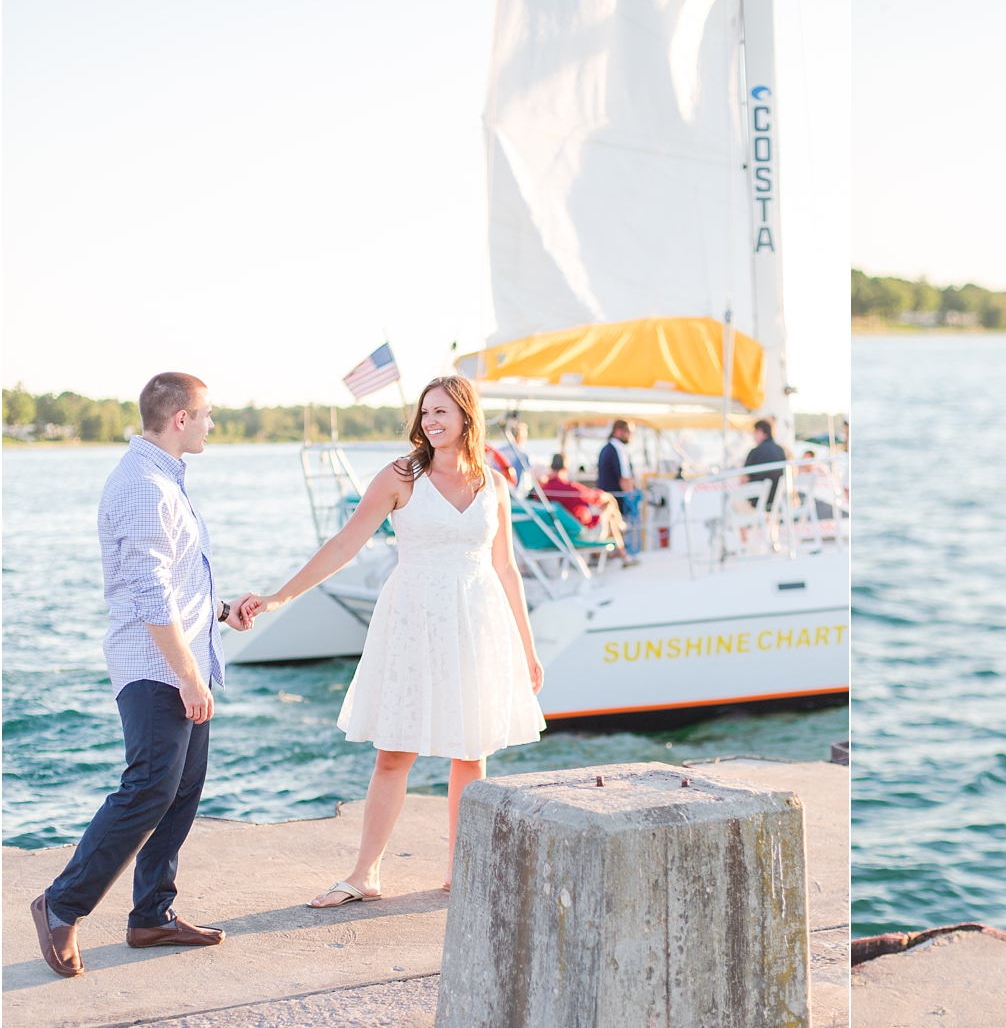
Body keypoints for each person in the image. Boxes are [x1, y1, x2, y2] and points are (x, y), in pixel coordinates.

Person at [235, 376, 546, 901]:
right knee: (394, 752)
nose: (431, 422)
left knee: (471, 751)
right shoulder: (402, 475)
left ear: (467, 416)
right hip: (413, 619)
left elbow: (507, 568)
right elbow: (343, 545)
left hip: (475, 619)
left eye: (442, 412)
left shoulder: (493, 483)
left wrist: (528, 648)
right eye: (426, 414)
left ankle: (460, 870)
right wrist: (278, 598)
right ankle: (365, 875)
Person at [31, 372, 255, 978]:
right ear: (180, 418)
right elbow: (148, 590)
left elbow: (175, 585)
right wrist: (187, 675)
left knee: (179, 792)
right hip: (157, 667)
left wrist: (222, 612)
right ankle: (61, 904)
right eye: (207, 414)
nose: (213, 423)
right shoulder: (144, 485)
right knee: (150, 787)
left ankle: (152, 915)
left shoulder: (164, 480)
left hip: (182, 660)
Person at [597, 419, 640, 562]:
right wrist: (631, 498)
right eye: (628, 432)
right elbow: (624, 478)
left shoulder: (606, 448)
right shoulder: (618, 449)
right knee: (617, 525)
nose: (630, 436)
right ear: (618, 431)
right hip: (615, 498)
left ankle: (615, 553)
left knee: (612, 526)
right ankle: (622, 554)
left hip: (606, 496)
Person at [742, 418, 788, 509]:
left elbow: (744, 479)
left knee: (732, 503)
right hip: (776, 502)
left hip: (757, 503)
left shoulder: (755, 452)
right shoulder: (781, 450)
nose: (754, 436)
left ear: (760, 432)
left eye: (754, 433)